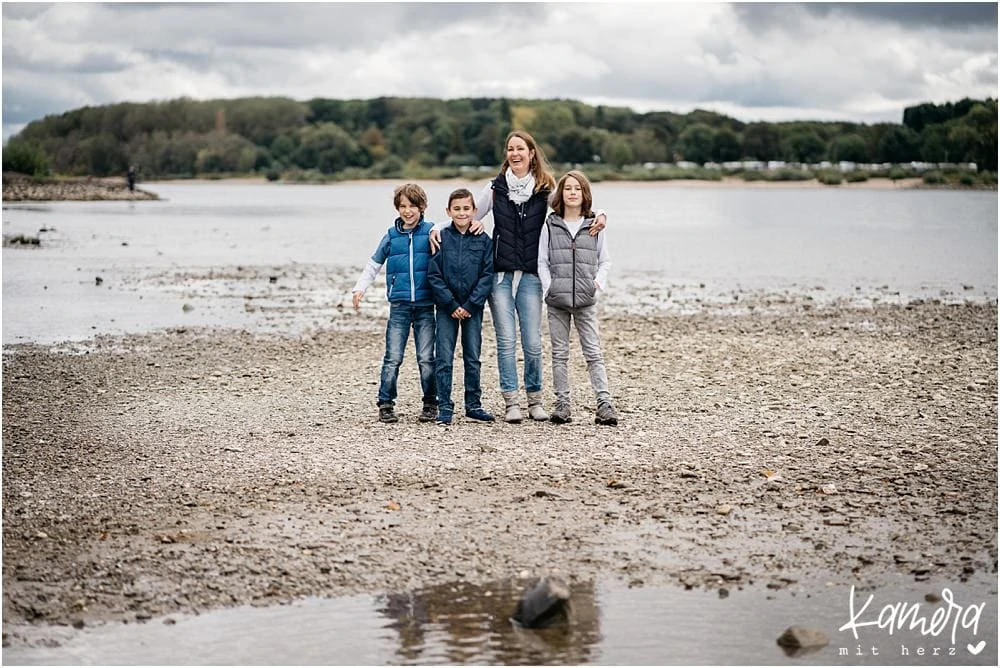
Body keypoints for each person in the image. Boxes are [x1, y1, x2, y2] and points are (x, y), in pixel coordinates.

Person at [431, 130, 605, 424]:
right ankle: (511, 401)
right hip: (500, 275)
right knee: (506, 340)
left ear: (531, 153)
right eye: (510, 149)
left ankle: (534, 400)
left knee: (533, 343)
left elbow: (571, 205)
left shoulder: (545, 188)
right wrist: (435, 226)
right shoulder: (495, 188)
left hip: (532, 276)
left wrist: (601, 213)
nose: (515, 154)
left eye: (520, 149)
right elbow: (469, 215)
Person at [537, 170, 619, 426]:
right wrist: (549, 287)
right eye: (568, 188)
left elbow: (605, 261)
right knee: (559, 354)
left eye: (578, 188)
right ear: (561, 193)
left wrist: (596, 284)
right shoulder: (550, 225)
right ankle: (562, 405)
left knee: (593, 353)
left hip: (586, 299)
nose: (572, 193)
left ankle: (604, 404)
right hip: (556, 300)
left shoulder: (594, 225)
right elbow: (542, 261)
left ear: (585, 194)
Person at [352, 183, 437, 424]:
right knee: (393, 357)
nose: (407, 211)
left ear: (422, 207)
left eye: (412, 206)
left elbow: (448, 243)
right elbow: (374, 264)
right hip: (399, 306)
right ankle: (386, 403)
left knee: (426, 358)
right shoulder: (391, 236)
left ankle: (431, 402)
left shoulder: (431, 231)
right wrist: (360, 288)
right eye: (402, 206)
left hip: (425, 306)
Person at [427, 188, 495, 425]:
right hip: (447, 308)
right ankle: (444, 406)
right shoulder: (441, 238)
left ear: (474, 211)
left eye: (466, 208)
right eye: (456, 209)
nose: (462, 213)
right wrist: (451, 304)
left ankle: (473, 405)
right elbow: (434, 275)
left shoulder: (484, 241)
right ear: (448, 211)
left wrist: (470, 304)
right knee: (444, 358)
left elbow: (487, 275)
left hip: (472, 308)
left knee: (472, 357)